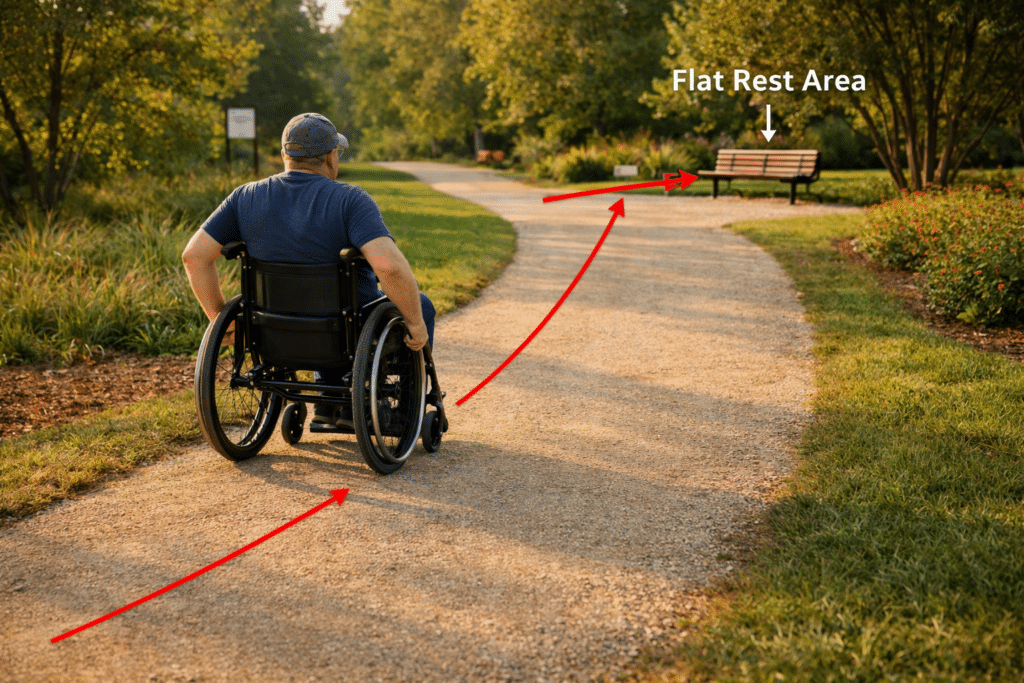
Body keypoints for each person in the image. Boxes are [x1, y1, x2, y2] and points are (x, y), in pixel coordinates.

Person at [182, 112, 435, 425]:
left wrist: (221, 319)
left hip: (272, 328)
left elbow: (194, 256)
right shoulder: (351, 200)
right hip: (347, 328)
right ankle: (403, 413)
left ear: (284, 155)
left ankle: (328, 404)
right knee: (420, 306)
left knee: (327, 312)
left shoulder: (244, 197)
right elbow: (390, 269)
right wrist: (416, 323)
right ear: (331, 157)